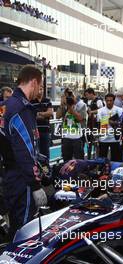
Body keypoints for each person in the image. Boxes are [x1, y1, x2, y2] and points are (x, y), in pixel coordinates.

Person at [0, 65, 47, 238]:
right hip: (23, 180)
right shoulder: (22, 108)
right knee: (25, 231)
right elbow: (25, 150)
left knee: (15, 226)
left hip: (9, 176)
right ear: (34, 82)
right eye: (40, 86)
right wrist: (35, 185)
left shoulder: (4, 106)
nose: (40, 91)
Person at [58, 92, 87, 161]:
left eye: (71, 96)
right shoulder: (64, 107)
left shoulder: (81, 106)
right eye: (67, 97)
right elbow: (57, 116)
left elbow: (80, 118)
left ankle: (79, 171)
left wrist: (70, 107)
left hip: (77, 138)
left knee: (79, 160)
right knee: (66, 160)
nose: (69, 99)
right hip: (66, 138)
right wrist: (61, 105)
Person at [97, 93, 123, 161]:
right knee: (102, 159)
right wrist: (110, 121)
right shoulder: (100, 111)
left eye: (110, 100)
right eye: (107, 100)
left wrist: (109, 121)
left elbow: (121, 122)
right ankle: (102, 171)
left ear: (113, 101)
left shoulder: (119, 110)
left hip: (115, 138)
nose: (109, 102)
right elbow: (100, 122)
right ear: (105, 101)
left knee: (115, 159)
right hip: (103, 138)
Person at [31, 86, 53, 159]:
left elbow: (50, 113)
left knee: (46, 153)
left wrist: (38, 113)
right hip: (35, 132)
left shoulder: (47, 100)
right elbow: (32, 115)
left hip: (46, 131)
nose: (40, 91)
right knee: (36, 152)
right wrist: (45, 115)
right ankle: (38, 170)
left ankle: (46, 169)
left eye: (41, 89)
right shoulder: (31, 101)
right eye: (39, 89)